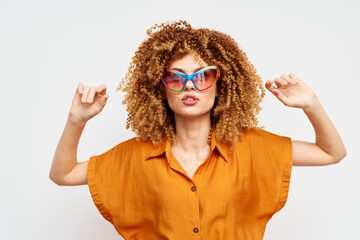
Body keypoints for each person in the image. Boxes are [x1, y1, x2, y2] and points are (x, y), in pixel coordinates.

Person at [49, 20, 346, 239]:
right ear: (160, 89)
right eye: (176, 78)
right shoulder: (134, 156)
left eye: (203, 76)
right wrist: (77, 121)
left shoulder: (254, 147)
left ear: (221, 87)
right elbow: (63, 174)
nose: (189, 86)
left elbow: (332, 153)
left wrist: (312, 104)